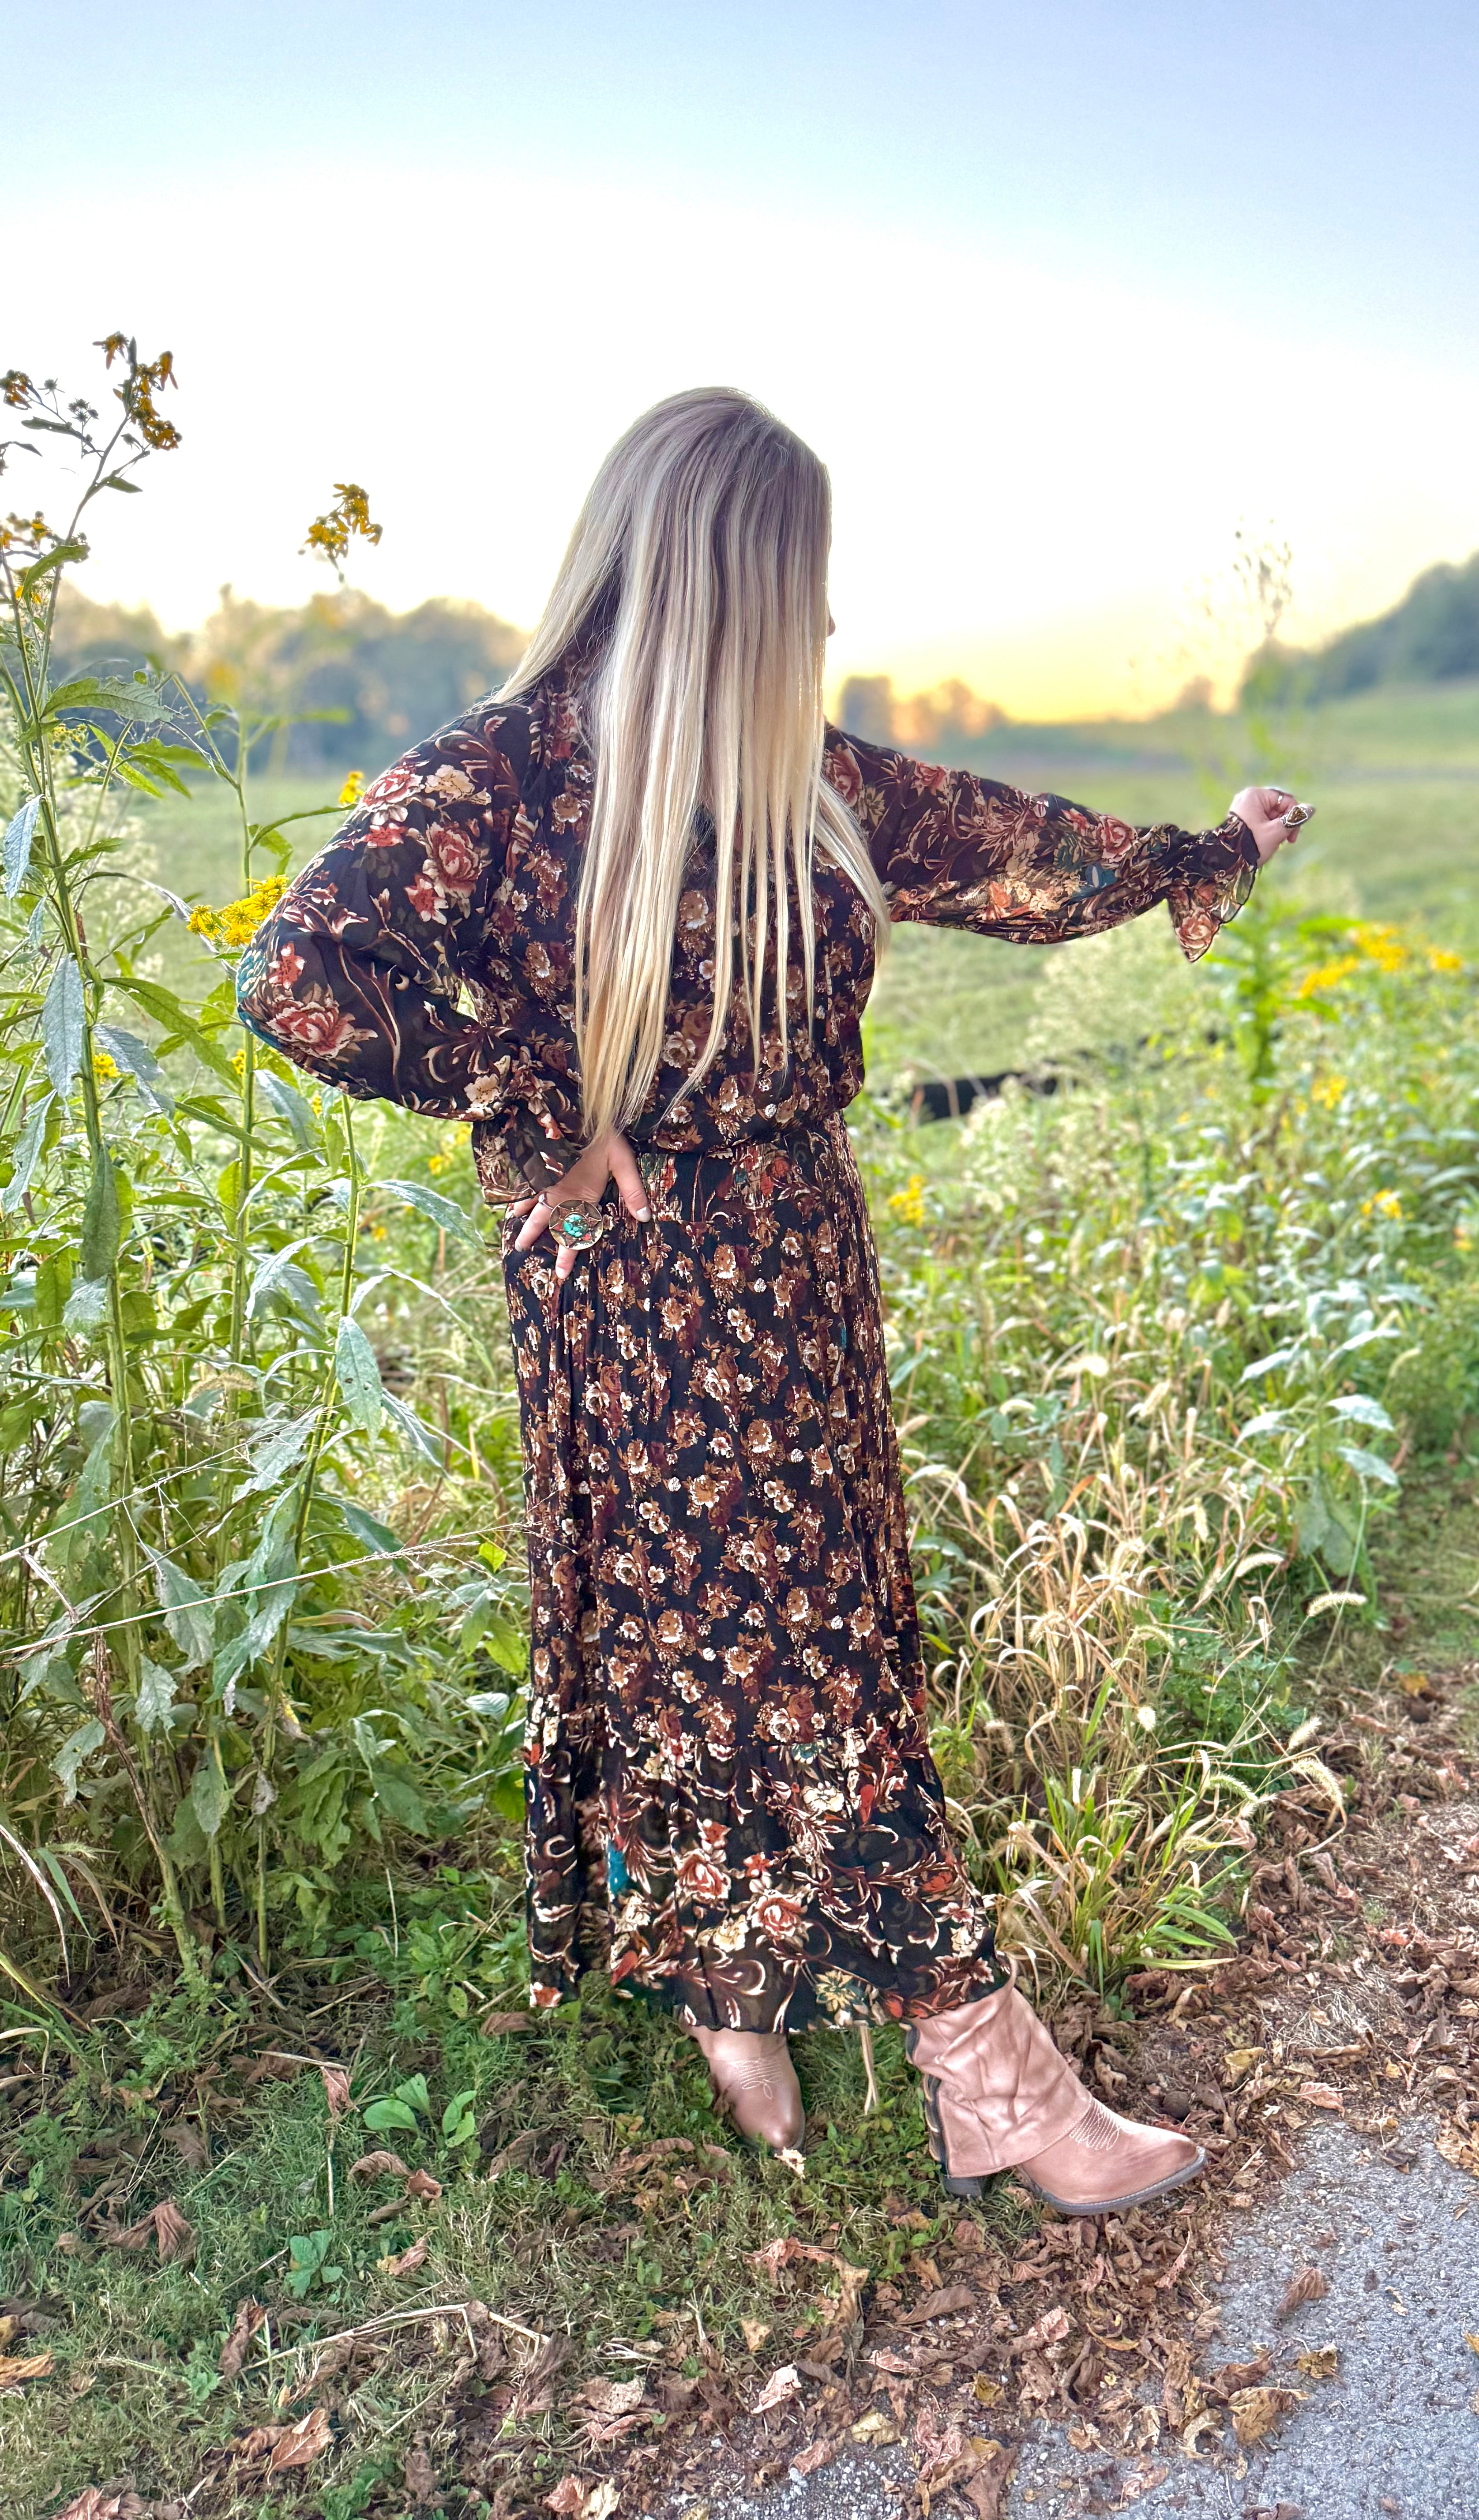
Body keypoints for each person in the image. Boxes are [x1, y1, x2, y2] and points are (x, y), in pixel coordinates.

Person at [238, 388, 1304, 2214]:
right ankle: (995, 2081)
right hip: (640, 1297)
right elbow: (300, 980)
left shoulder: (806, 777)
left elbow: (1025, 848)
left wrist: (1212, 849)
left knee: (759, 1648)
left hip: (796, 1273)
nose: (818, 624)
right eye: (799, 588)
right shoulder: (498, 774)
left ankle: (725, 1987)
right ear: (730, 575)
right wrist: (541, 1098)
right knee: (792, 1664)